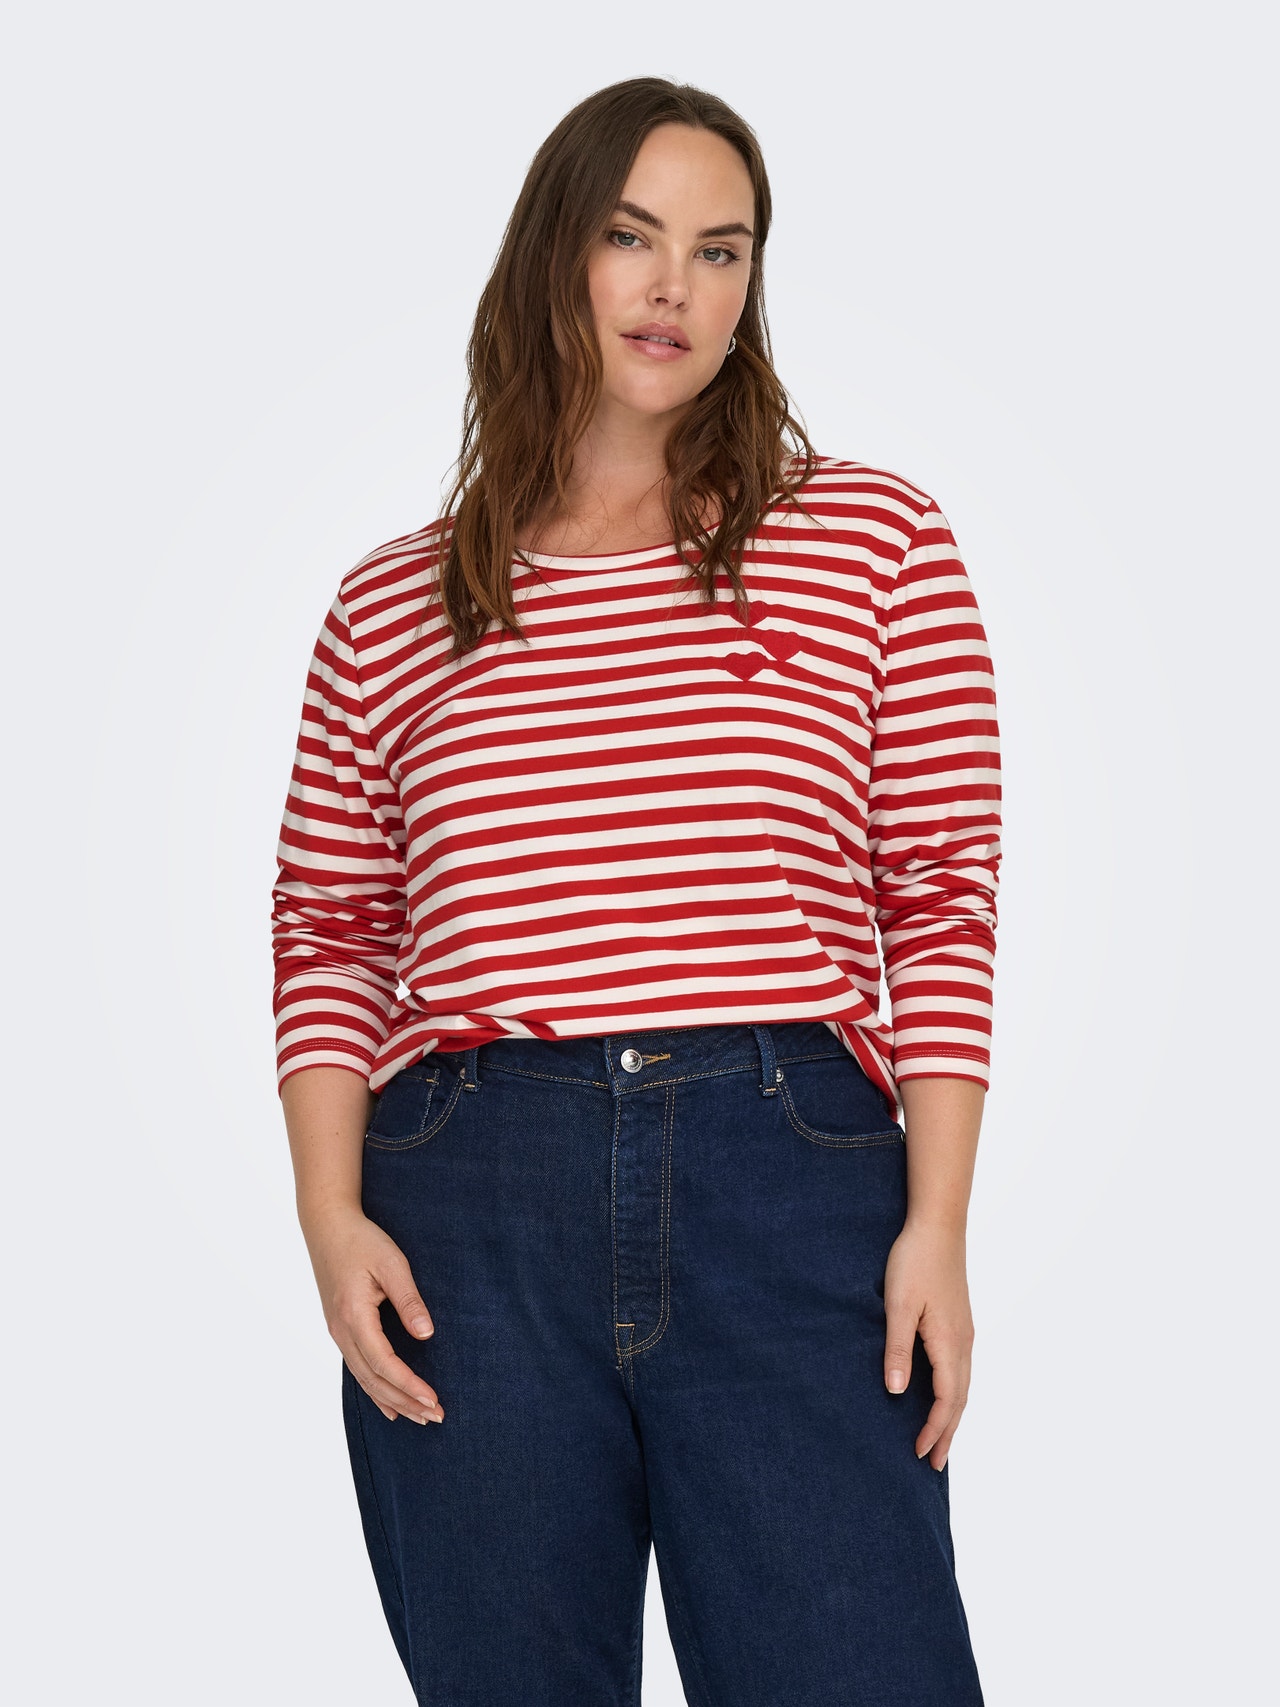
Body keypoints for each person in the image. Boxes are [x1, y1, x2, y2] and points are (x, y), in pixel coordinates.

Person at [270, 76, 1001, 1707]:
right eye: (632, 236)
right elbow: (330, 926)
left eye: (721, 250)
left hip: (786, 1176)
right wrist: (329, 1216)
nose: (676, 285)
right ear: (556, 256)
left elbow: (941, 892)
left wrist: (939, 1226)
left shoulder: (869, 542)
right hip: (473, 1205)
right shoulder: (395, 607)